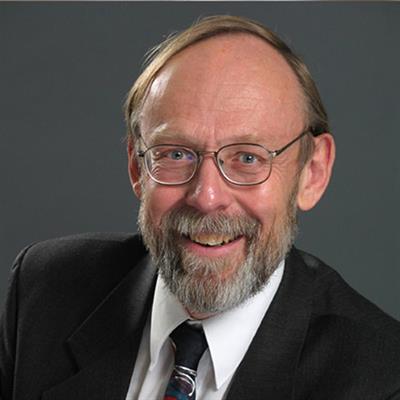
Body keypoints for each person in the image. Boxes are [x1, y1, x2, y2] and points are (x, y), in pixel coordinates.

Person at [1, 15, 399, 400]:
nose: (207, 197)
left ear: (311, 173)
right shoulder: (45, 291)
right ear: (138, 167)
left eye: (248, 158)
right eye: (175, 153)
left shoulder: (381, 379)